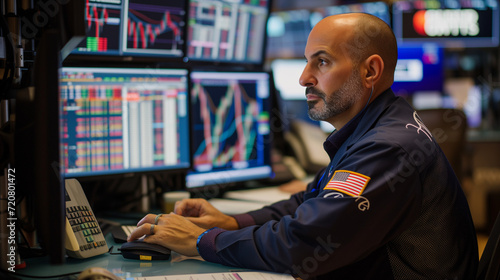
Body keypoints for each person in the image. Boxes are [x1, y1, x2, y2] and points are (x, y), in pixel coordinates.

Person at [128, 13, 478, 279]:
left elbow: (304, 243)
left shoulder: (386, 149)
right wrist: (232, 222)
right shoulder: (374, 129)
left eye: (321, 61)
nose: (304, 77)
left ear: (370, 71)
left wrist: (202, 240)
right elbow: (311, 203)